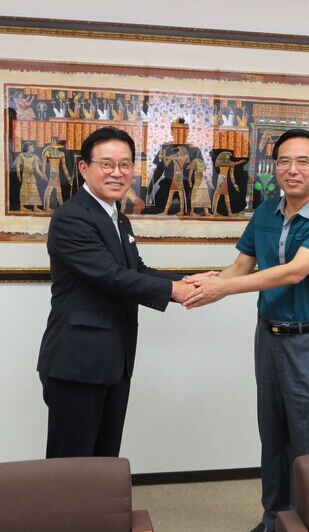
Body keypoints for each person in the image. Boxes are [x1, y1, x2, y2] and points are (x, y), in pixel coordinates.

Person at [183, 129, 309, 532]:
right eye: (283, 161)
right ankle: (273, 520)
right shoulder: (264, 212)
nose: (292, 170)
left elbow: (294, 272)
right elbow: (242, 266)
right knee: (273, 436)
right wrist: (205, 283)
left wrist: (224, 288)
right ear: (274, 167)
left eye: (302, 161)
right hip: (269, 338)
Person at [37, 126, 194, 458]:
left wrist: (190, 282)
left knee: (105, 460)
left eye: (125, 165)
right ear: (84, 168)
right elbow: (111, 277)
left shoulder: (118, 218)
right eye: (107, 164)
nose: (117, 173)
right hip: (77, 362)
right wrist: (173, 290)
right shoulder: (71, 218)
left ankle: (99, 499)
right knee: (71, 466)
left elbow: (135, 270)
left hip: (114, 360)